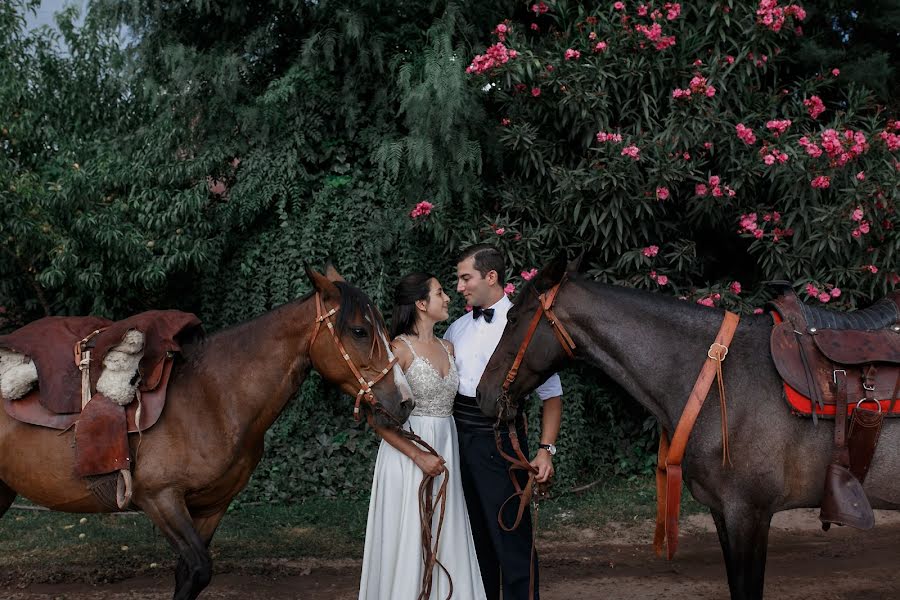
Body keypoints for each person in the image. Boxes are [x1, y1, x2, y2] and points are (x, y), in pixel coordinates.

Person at [444, 244, 563, 600]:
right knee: (472, 539)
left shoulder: (527, 328)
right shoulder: (455, 329)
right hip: (457, 443)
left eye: (466, 278)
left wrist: (546, 451)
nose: (460, 287)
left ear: (491, 276)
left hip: (503, 443)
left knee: (511, 538)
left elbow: (552, 396)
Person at [359, 272, 487, 600]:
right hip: (409, 452)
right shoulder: (398, 350)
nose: (448, 298)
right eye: (440, 293)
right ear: (420, 303)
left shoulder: (449, 346)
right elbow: (377, 419)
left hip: (447, 444)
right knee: (410, 533)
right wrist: (418, 456)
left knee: (447, 531)